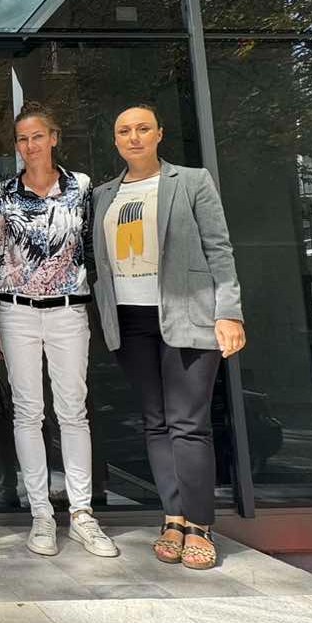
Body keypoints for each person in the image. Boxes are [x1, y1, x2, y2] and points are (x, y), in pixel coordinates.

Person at [91, 103, 245, 571]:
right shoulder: (103, 195)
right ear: (115, 141)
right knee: (155, 421)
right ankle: (172, 517)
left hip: (187, 314)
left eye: (143, 128)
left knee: (188, 423)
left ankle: (199, 524)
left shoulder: (191, 181)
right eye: (124, 131)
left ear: (159, 133)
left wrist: (228, 312)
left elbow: (219, 248)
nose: (134, 137)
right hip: (129, 319)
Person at [0, 102, 117, 558]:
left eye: (37, 136)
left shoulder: (81, 187)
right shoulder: (3, 193)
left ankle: (82, 514)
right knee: (27, 412)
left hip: (68, 311)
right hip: (16, 311)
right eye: (23, 139)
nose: (30, 145)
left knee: (73, 411)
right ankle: (41, 513)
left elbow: (91, 250)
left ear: (54, 138)